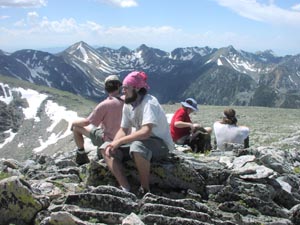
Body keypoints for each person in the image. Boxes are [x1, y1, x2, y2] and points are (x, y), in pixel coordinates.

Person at [100, 71, 174, 193]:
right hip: (143, 142)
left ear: (137, 88)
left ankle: (145, 189)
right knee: (105, 147)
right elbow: (123, 129)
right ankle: (125, 187)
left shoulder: (149, 103)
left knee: (137, 147)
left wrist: (119, 142)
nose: (123, 91)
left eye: (126, 88)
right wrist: (113, 144)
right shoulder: (128, 104)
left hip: (160, 144)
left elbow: (146, 131)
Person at [71, 75, 123, 165]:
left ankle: (81, 155)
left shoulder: (104, 105)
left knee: (76, 127)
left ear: (106, 89)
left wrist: (73, 122)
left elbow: (86, 122)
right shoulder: (128, 101)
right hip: (124, 139)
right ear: (119, 86)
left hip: (108, 139)